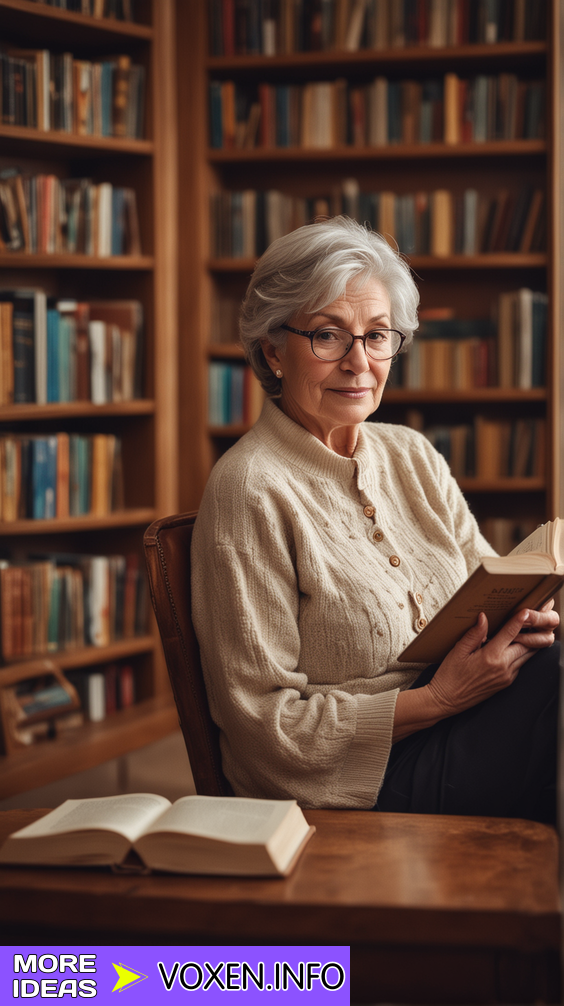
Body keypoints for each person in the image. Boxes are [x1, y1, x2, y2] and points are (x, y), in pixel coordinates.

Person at [191, 215, 559, 822]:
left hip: (471, 718)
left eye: (378, 335)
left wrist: (528, 617)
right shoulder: (249, 490)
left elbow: (487, 588)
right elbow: (265, 726)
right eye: (328, 336)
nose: (359, 362)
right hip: (351, 781)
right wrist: (439, 698)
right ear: (272, 351)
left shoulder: (410, 454)